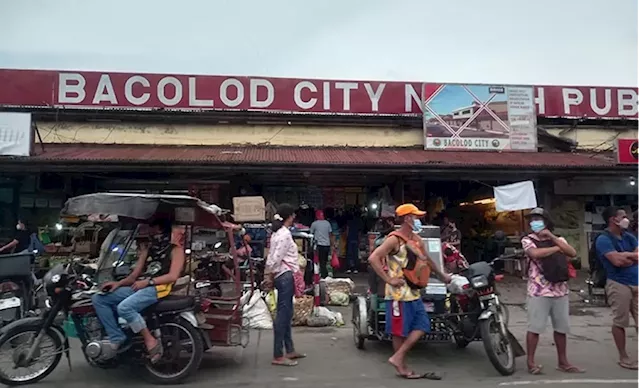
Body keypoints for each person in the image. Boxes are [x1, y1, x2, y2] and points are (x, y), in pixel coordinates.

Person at [368, 203, 451, 379]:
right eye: (416, 217)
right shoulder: (394, 239)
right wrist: (388, 279)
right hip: (397, 295)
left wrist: (442, 275)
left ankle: (398, 357)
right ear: (407, 219)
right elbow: (374, 258)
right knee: (399, 332)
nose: (418, 220)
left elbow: (428, 260)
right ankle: (401, 366)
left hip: (414, 292)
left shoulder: (416, 239)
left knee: (422, 325)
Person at [92, 217, 186, 363]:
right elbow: (134, 276)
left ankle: (150, 340)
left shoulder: (176, 250)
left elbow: (173, 276)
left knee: (125, 308)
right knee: (99, 299)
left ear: (159, 229)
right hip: (139, 286)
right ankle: (116, 337)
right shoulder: (149, 250)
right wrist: (118, 284)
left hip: (158, 288)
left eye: (150, 228)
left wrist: (148, 282)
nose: (147, 231)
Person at [520, 207, 584, 375]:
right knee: (535, 328)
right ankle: (531, 362)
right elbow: (535, 253)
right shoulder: (527, 240)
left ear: (547, 221)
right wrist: (557, 248)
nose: (535, 222)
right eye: (532, 219)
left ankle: (563, 361)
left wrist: (553, 238)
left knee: (561, 328)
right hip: (538, 291)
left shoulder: (558, 239)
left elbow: (572, 252)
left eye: (538, 219)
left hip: (560, 290)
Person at [595, 206, 640, 370]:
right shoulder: (603, 239)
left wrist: (628, 256)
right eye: (623, 216)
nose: (626, 218)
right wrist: (630, 257)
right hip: (618, 283)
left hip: (636, 281)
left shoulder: (629, 237)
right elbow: (617, 261)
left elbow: (637, 256)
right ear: (613, 219)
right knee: (620, 321)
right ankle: (624, 356)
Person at [264, 203, 305, 367]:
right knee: (283, 314)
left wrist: (270, 274)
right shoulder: (285, 235)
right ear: (289, 216)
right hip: (285, 276)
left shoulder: (277, 233)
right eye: (293, 215)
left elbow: (272, 256)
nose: (294, 217)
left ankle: (289, 349)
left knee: (287, 313)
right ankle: (278, 354)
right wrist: (270, 275)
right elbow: (276, 258)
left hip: (281, 275)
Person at [310, 210, 334, 278]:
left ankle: (323, 275)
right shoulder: (327, 223)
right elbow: (330, 234)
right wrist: (332, 245)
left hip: (319, 245)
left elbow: (311, 233)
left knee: (320, 261)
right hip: (327, 245)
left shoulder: (314, 224)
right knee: (325, 261)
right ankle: (325, 274)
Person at [346, 209, 361, 274]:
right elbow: (359, 232)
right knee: (355, 254)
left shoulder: (349, 221)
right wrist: (359, 240)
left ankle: (349, 268)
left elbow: (347, 230)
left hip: (350, 239)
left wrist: (347, 237)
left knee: (349, 254)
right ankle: (355, 268)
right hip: (356, 239)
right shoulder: (359, 222)